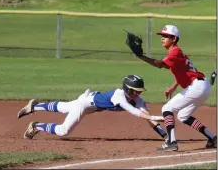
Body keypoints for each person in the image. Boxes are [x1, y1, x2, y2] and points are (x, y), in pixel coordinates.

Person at [134, 25, 216, 152]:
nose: (162, 38)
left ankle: (171, 142)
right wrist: (173, 87)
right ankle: (213, 138)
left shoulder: (174, 52)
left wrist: (141, 56)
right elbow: (179, 70)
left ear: (174, 38)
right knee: (183, 116)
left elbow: (159, 64)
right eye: (162, 36)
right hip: (203, 86)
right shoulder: (176, 52)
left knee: (167, 108)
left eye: (166, 36)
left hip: (197, 86)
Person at [17, 75, 168, 141]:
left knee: (64, 107)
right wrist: (153, 117)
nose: (139, 93)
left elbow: (147, 117)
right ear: (127, 89)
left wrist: (165, 135)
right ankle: (36, 126)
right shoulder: (118, 96)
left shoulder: (139, 100)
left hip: (91, 104)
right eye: (136, 91)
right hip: (85, 104)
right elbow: (134, 112)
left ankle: (35, 106)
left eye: (140, 91)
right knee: (63, 130)